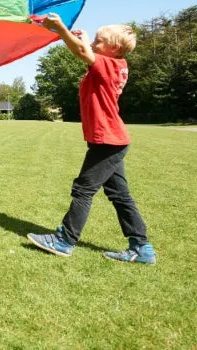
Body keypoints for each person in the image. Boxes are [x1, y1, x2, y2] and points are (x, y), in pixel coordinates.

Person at [26, 14, 157, 264]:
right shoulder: (114, 65)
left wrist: (61, 29)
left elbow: (83, 54)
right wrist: (85, 39)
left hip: (107, 141)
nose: (95, 44)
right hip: (112, 139)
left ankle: (64, 241)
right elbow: (86, 52)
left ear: (114, 48)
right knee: (120, 195)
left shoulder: (109, 65)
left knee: (83, 189)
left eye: (99, 41)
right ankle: (142, 248)